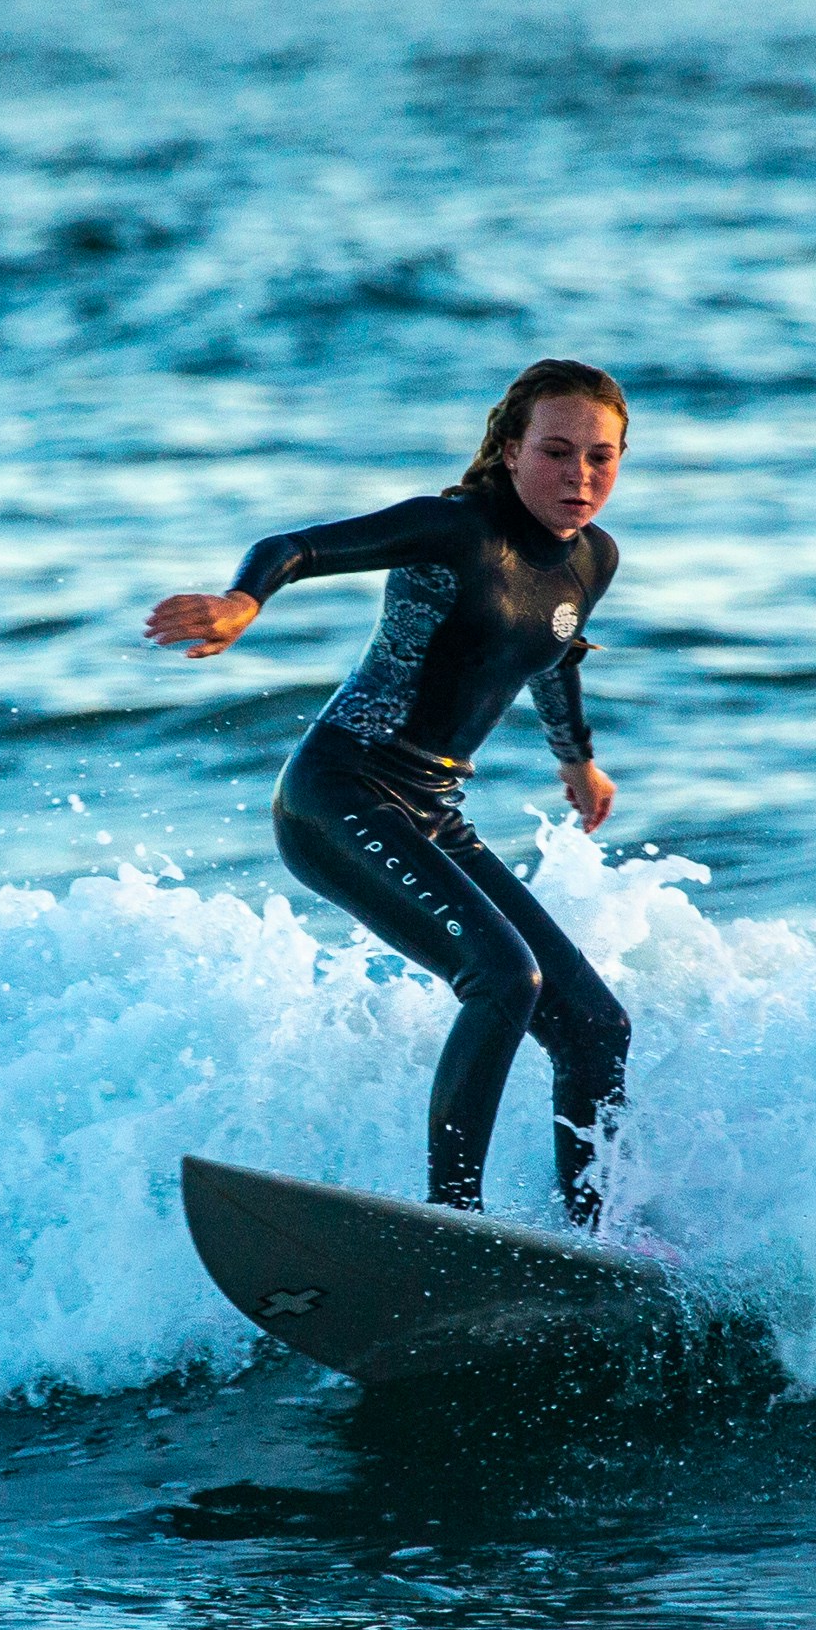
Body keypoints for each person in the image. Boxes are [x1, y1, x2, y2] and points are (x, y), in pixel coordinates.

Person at [146, 360, 636, 1224]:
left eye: (601, 456)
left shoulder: (593, 558)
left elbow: (557, 651)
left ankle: (593, 1235)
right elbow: (296, 547)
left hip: (433, 810)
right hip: (338, 792)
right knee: (503, 978)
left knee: (596, 1027)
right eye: (557, 452)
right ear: (512, 451)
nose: (580, 476)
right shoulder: (454, 528)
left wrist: (575, 760)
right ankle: (453, 1217)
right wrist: (242, 600)